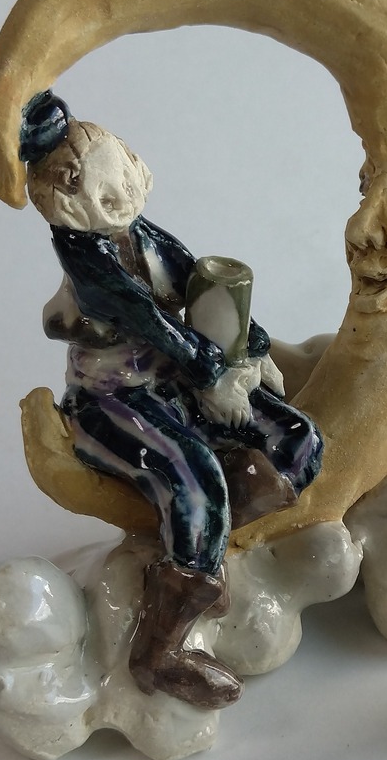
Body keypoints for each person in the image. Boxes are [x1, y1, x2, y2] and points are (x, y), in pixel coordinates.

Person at [19, 91, 323, 710]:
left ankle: (205, 550)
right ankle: (159, 652)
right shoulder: (89, 262)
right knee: (195, 483)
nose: (124, 198)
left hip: (178, 380)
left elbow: (199, 281)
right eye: (105, 195)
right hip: (112, 401)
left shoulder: (143, 235)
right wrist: (214, 377)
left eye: (125, 178)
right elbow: (157, 326)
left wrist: (249, 349)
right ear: (67, 202)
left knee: (297, 440)